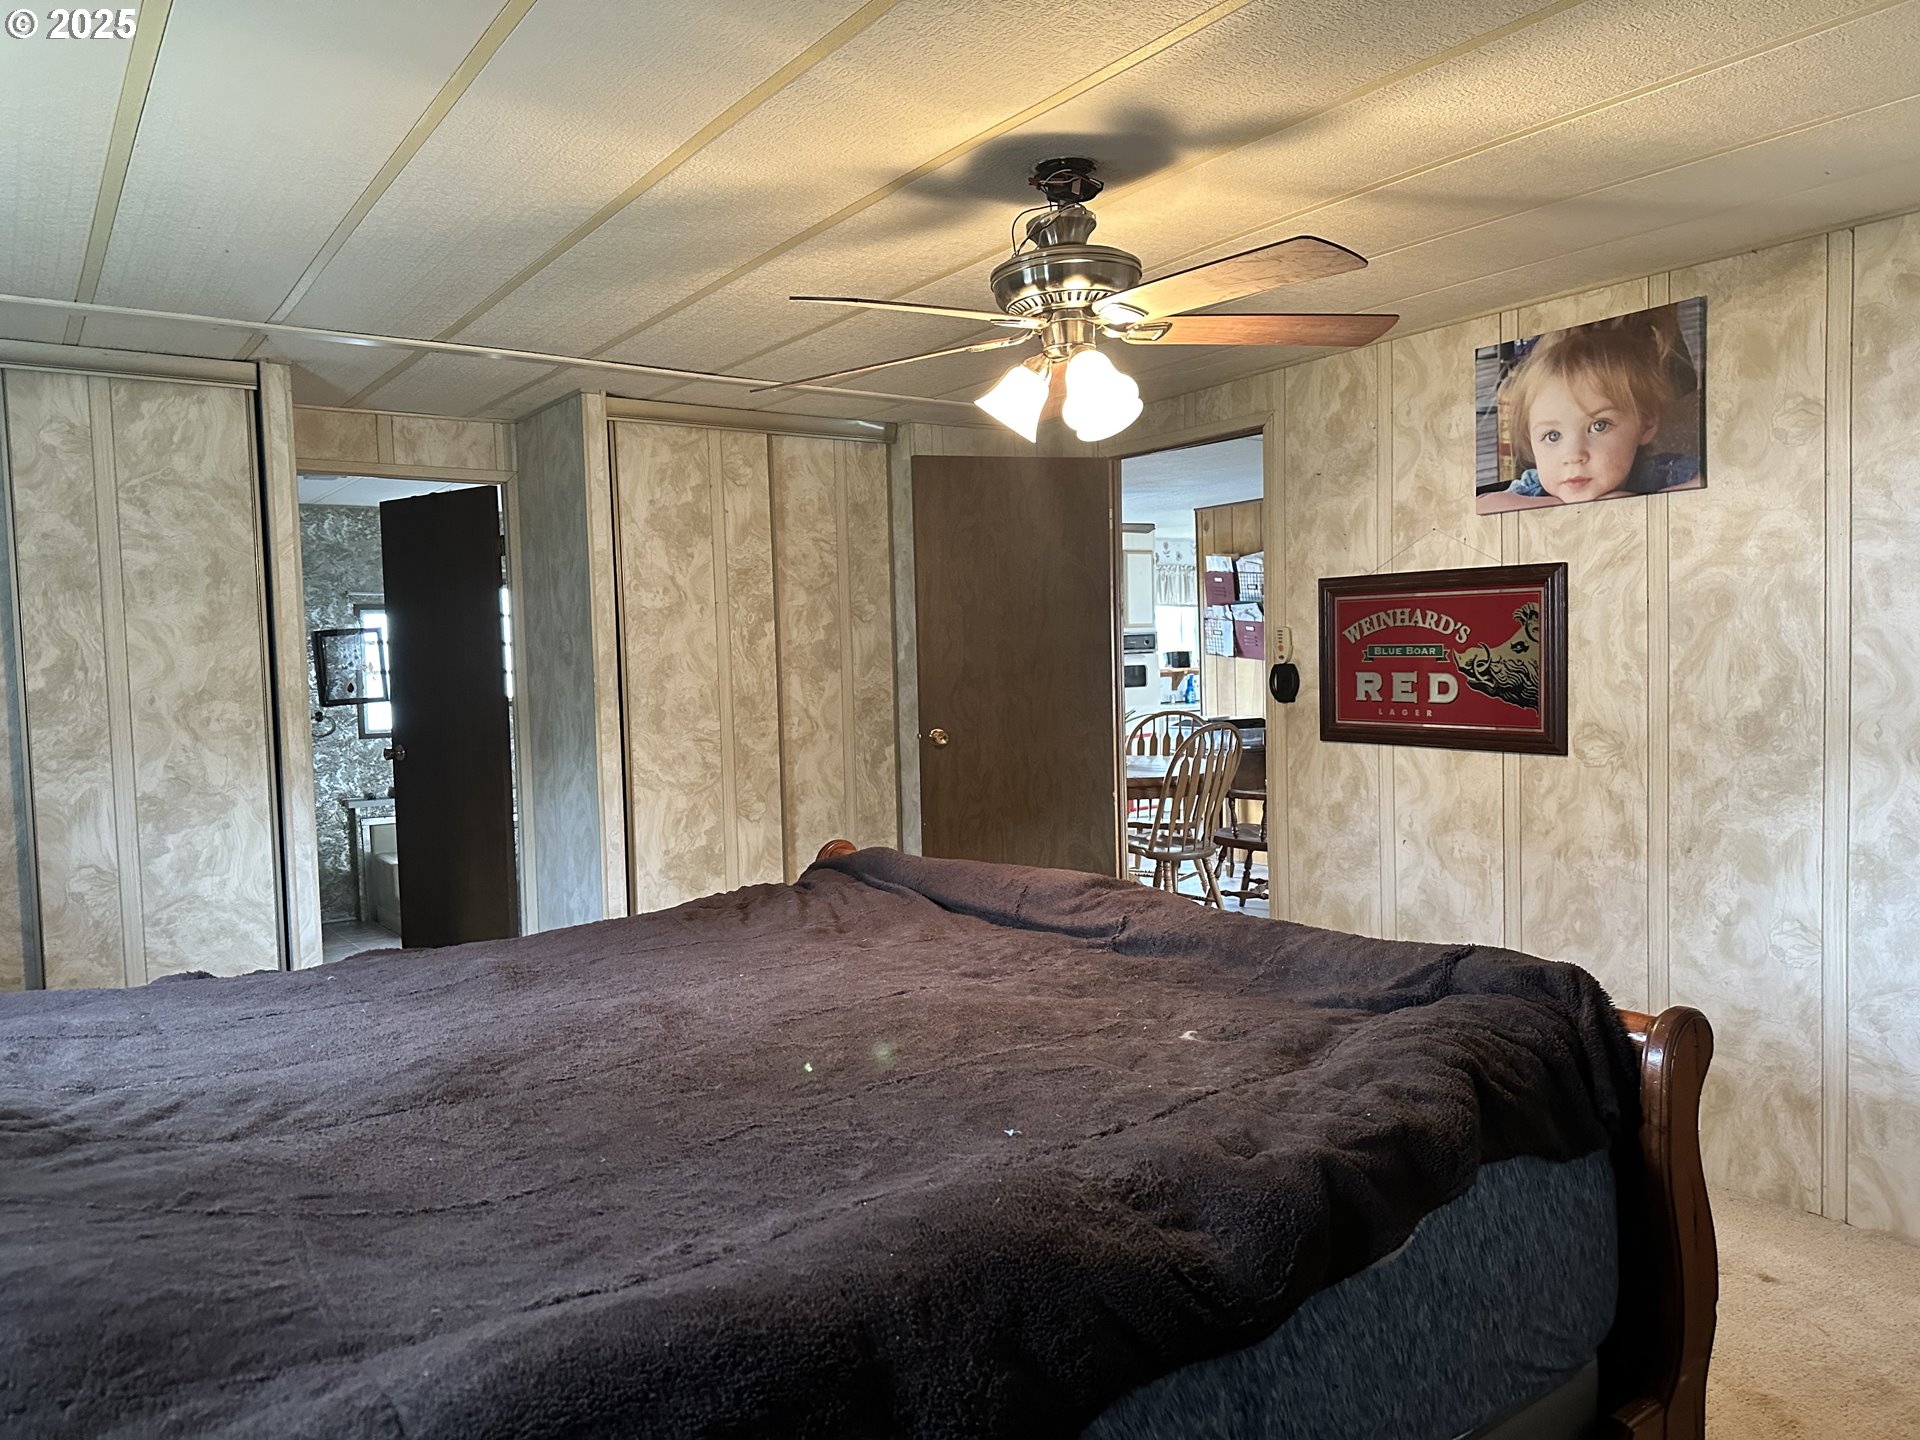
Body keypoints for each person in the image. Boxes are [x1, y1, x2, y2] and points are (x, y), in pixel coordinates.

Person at [1497, 312, 1700, 504]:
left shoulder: (1666, 473)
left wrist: (1636, 506)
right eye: (1553, 436)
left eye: (1599, 426)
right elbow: (1485, 505)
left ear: (1646, 423)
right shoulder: (1533, 490)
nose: (1573, 455)